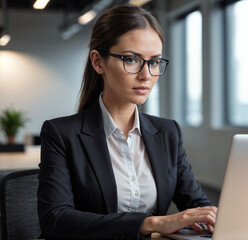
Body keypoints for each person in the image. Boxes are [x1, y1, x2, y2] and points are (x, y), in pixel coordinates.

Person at [38, 4, 216, 240]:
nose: (146, 75)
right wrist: (150, 223)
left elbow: (195, 204)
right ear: (98, 62)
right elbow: (56, 219)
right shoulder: (61, 134)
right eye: (131, 60)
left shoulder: (167, 132)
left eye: (154, 62)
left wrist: (215, 217)